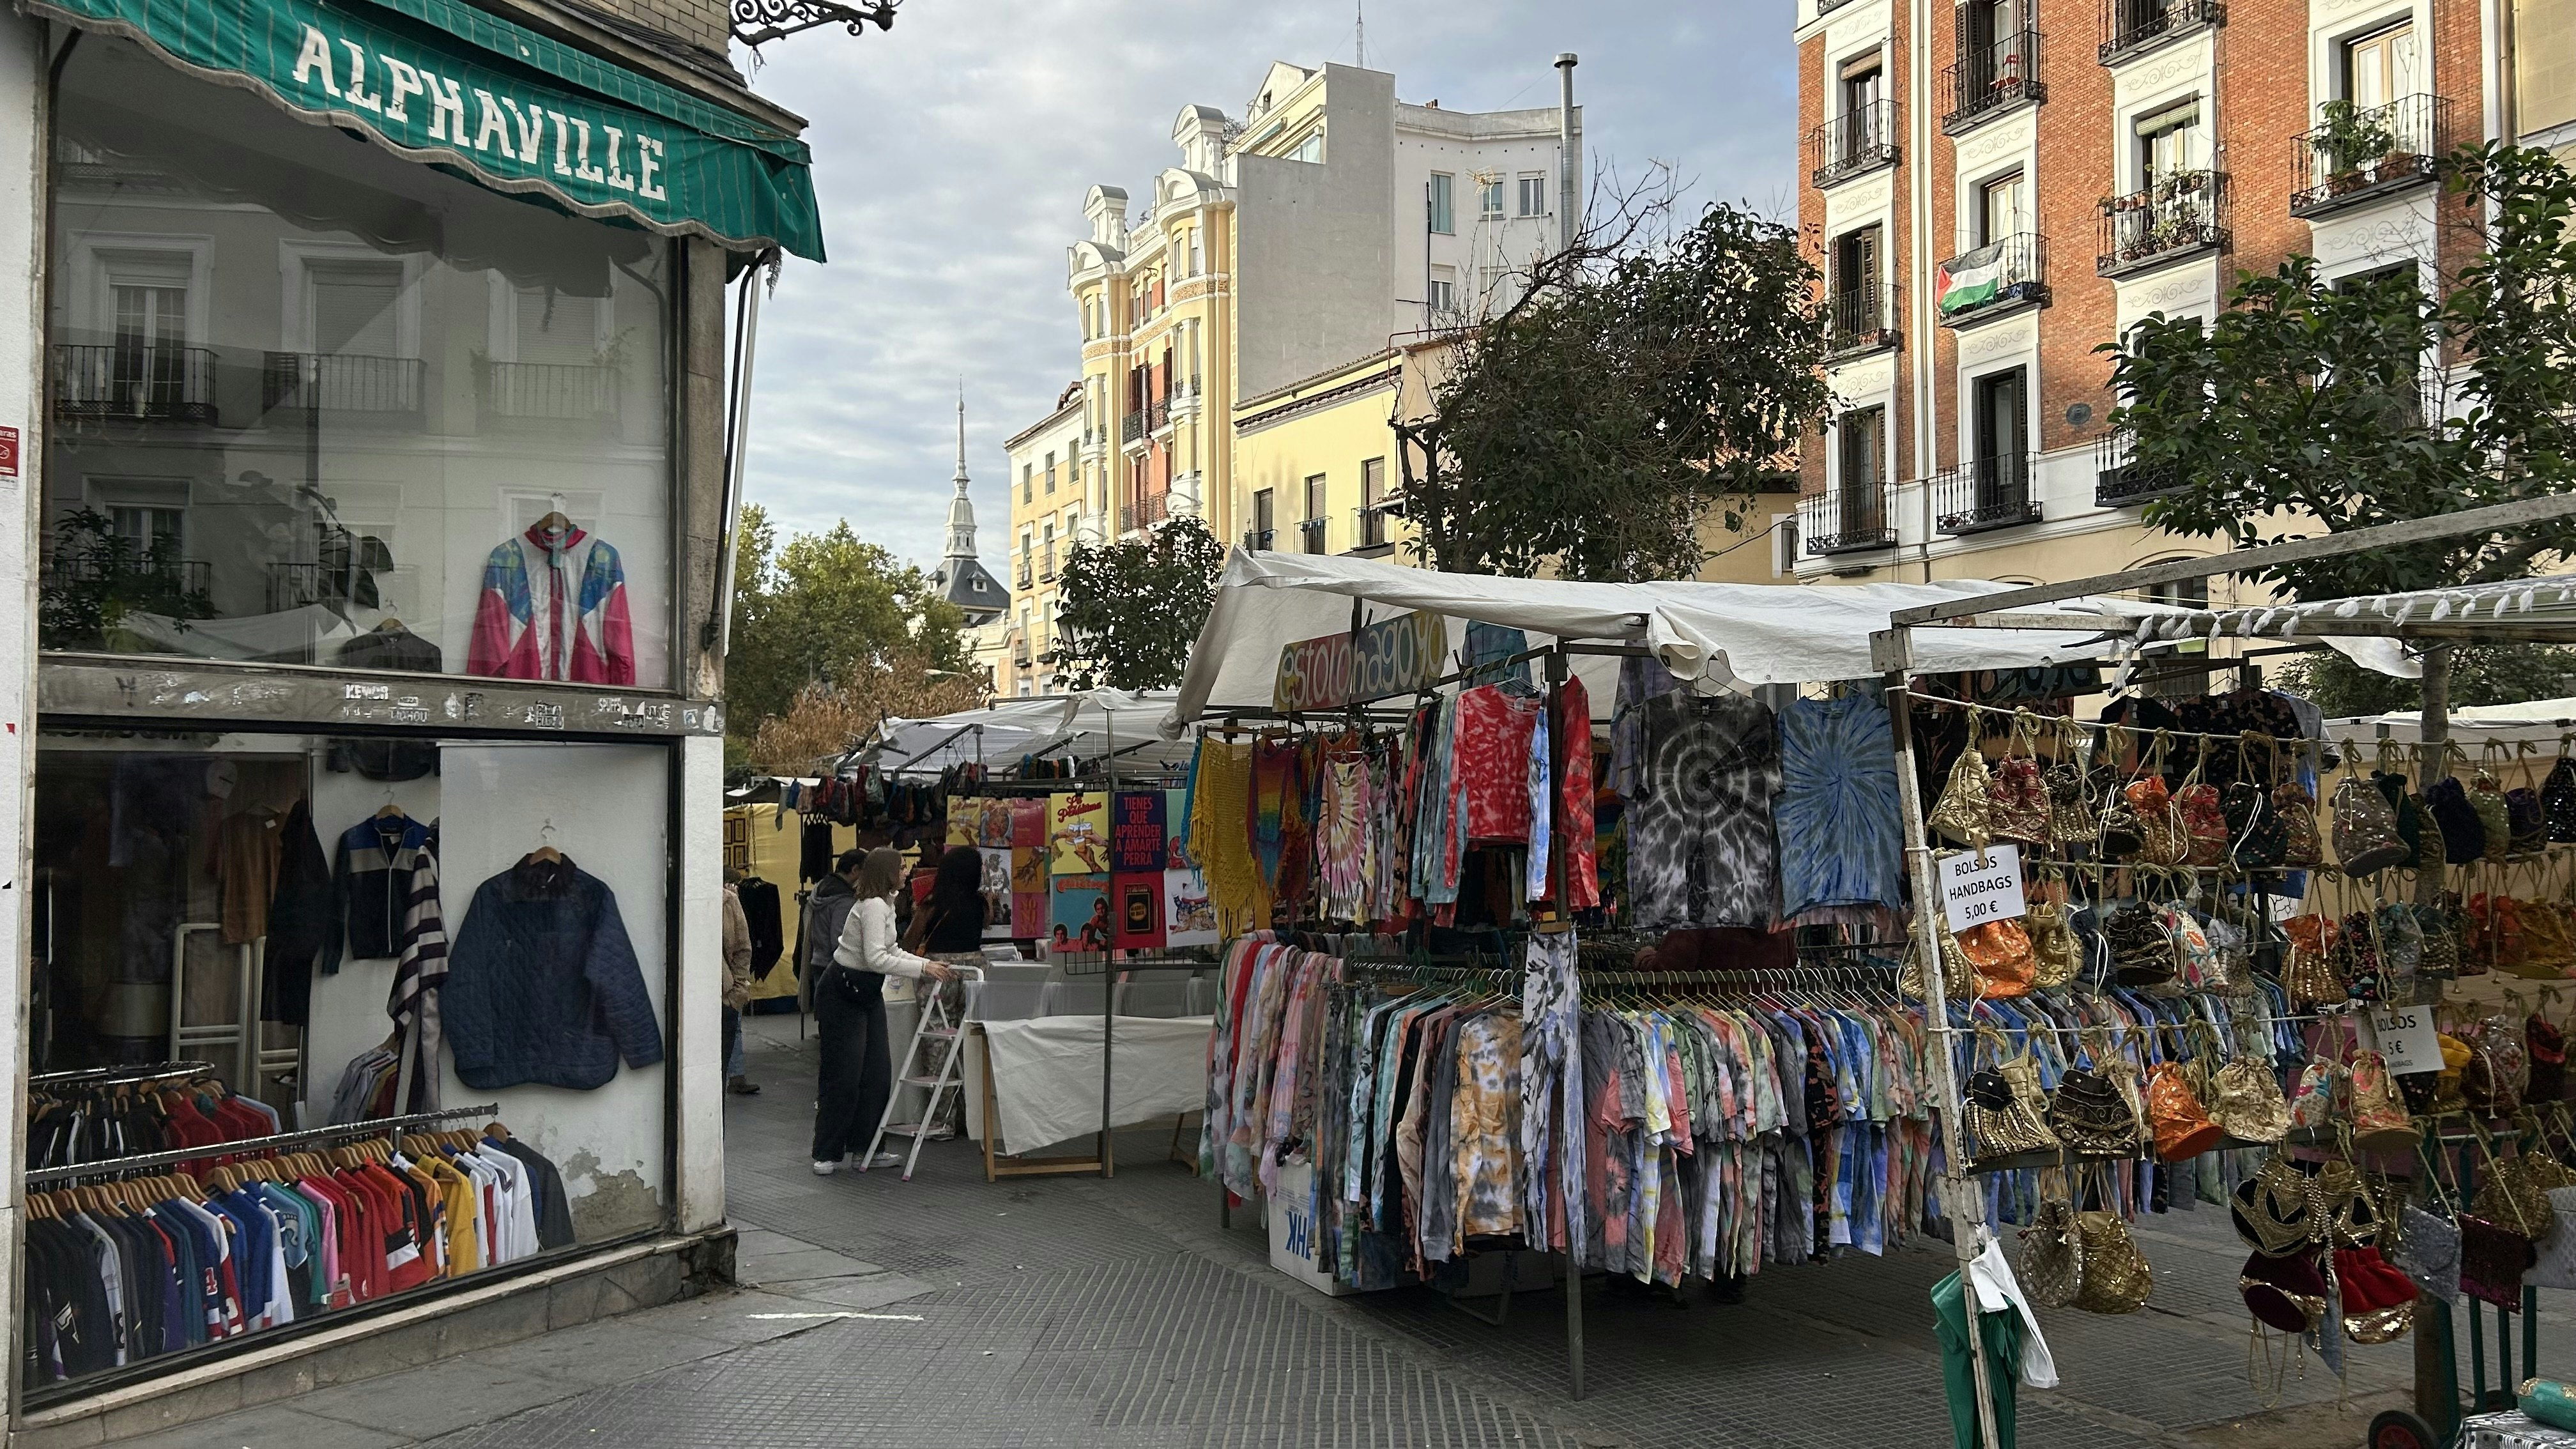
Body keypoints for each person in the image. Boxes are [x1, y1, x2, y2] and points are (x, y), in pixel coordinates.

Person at [808, 848, 955, 1175]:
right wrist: (924, 969)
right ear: (888, 871)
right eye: (902, 867)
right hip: (843, 991)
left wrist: (926, 963)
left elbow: (891, 950)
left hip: (865, 990)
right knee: (843, 1074)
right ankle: (827, 1152)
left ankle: (867, 1148)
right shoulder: (873, 906)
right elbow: (876, 959)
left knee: (877, 1073)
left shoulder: (884, 904)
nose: (907, 872)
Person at [719, 870, 759, 1096]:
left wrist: (738, 989)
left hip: (725, 993)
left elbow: (743, 948)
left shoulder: (729, 901)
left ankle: (736, 1076)